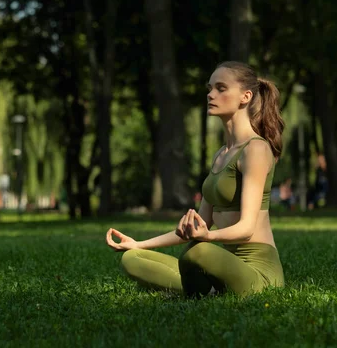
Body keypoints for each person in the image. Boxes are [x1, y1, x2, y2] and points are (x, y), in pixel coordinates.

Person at [106, 61, 286, 298]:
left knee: (198, 253)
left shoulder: (256, 149)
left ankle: (201, 291)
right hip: (224, 263)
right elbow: (200, 224)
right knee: (132, 259)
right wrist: (138, 243)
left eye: (221, 88)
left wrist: (208, 237)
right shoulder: (221, 154)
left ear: (246, 96)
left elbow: (246, 228)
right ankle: (207, 290)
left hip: (258, 272)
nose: (211, 94)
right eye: (210, 88)